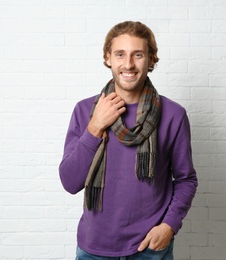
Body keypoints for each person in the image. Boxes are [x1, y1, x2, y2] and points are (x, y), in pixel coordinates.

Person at [59, 21, 197, 259]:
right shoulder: (85, 111)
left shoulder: (173, 114)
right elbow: (70, 182)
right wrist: (94, 127)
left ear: (151, 59)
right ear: (108, 58)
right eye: (120, 54)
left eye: (138, 55)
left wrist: (169, 226)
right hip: (94, 248)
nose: (129, 64)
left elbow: (186, 179)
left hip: (151, 249)